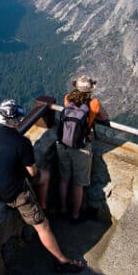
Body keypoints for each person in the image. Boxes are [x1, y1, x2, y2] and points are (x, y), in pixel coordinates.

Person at [0, 99, 85, 273]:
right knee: (43, 226)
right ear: (18, 120)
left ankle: (43, 205)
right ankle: (62, 261)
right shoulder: (22, 143)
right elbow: (33, 173)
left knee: (46, 176)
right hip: (15, 193)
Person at [57, 75, 110, 223]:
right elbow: (104, 117)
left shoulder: (68, 98)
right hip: (81, 146)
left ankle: (61, 209)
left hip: (63, 144)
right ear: (90, 89)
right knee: (78, 183)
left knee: (63, 178)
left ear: (76, 87)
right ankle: (75, 215)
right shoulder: (94, 103)